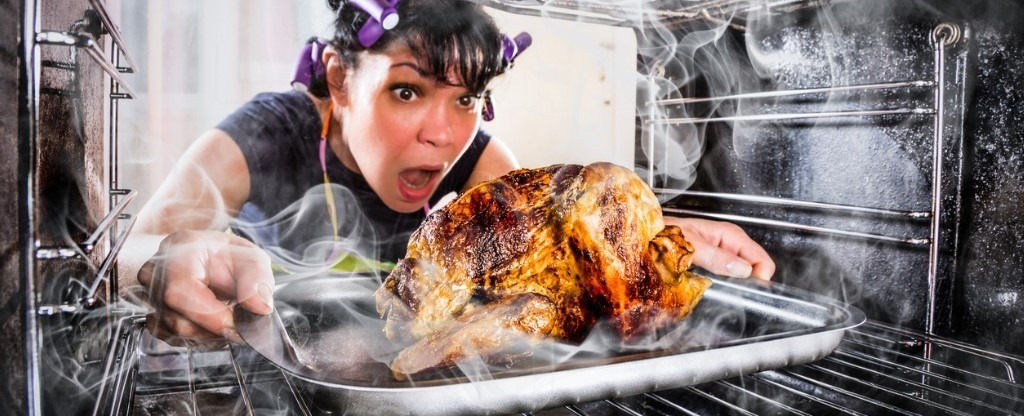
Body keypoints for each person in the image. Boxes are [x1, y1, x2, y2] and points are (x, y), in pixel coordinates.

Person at [120, 0, 775, 348]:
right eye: (407, 91)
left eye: (465, 99)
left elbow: (555, 241)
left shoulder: (472, 153)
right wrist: (160, 263)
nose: (442, 133)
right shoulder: (265, 134)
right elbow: (131, 250)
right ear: (340, 79)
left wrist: (650, 238)